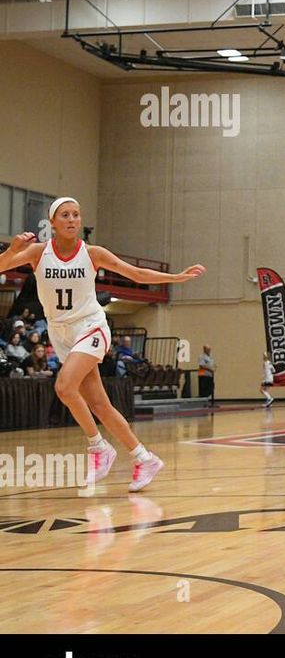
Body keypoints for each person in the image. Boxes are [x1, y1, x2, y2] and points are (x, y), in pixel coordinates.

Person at [0, 198, 203, 491]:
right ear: (52, 222)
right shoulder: (37, 252)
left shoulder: (92, 253)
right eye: (65, 215)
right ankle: (144, 458)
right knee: (100, 405)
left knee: (64, 387)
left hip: (91, 326)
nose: (72, 219)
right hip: (60, 332)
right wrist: (11, 250)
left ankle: (98, 447)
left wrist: (176, 277)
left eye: (76, 215)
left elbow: (135, 273)